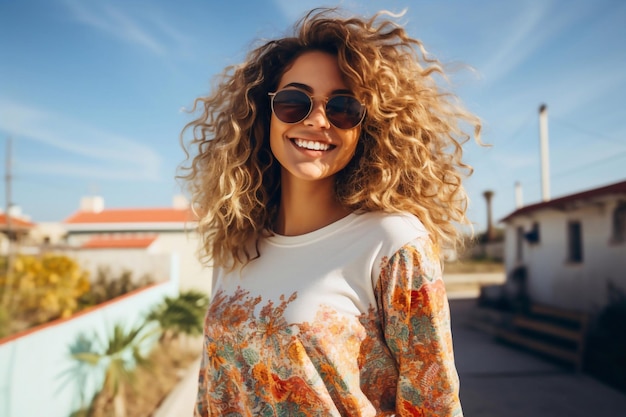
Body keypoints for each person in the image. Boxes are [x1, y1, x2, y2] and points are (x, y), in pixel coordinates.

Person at [180, 7, 480, 417]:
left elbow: (435, 407)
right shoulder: (237, 244)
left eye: (342, 108)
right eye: (293, 102)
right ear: (263, 112)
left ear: (366, 126)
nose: (318, 120)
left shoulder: (394, 244)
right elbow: (208, 394)